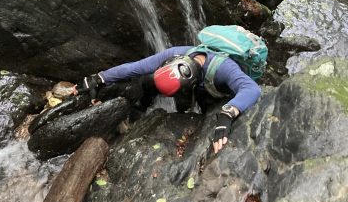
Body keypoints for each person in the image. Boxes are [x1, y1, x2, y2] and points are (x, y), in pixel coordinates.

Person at [76, 45, 262, 154]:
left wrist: (228, 113)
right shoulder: (174, 54)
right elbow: (134, 68)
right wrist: (99, 78)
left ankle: (195, 110)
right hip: (194, 85)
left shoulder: (225, 69)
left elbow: (252, 89)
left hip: (213, 91)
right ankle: (139, 110)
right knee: (147, 80)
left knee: (193, 108)